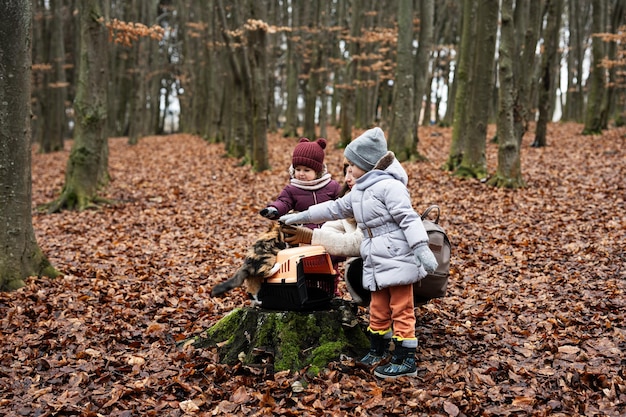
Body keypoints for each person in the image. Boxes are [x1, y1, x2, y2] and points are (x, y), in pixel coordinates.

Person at [279, 127, 438, 379]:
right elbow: (332, 209)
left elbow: (408, 219)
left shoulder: (390, 187)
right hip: (375, 257)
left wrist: (421, 249)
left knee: (401, 308)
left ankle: (405, 358)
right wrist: (300, 217)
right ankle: (378, 349)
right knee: (378, 306)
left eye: (352, 164)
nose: (349, 170)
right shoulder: (359, 192)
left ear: (367, 164)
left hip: (398, 256)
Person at [259, 137, 340, 231]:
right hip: (304, 231)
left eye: (306, 170)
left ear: (318, 171)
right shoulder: (292, 189)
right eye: (298, 169)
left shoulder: (331, 186)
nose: (301, 174)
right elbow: (284, 202)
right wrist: (274, 209)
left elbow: (342, 202)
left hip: (331, 230)